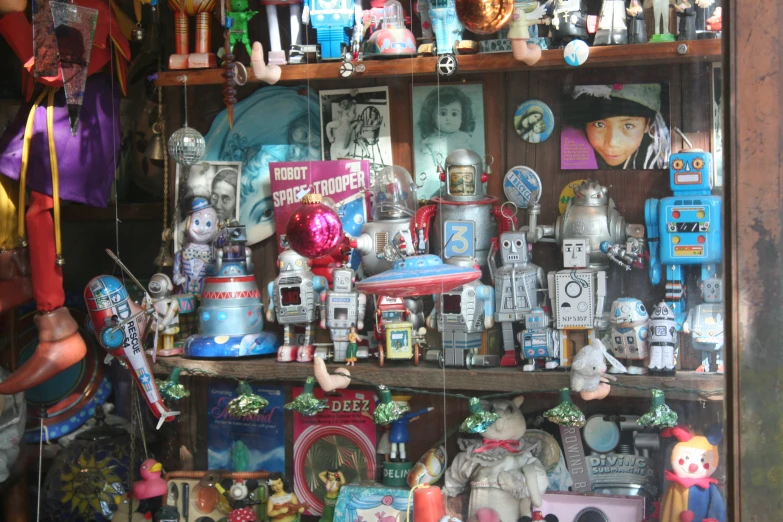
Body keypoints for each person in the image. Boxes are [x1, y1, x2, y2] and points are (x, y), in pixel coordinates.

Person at [562, 84, 670, 170]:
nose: (612, 142)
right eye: (600, 124)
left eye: (628, 126)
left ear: (647, 124)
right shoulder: (573, 146)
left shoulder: (658, 159)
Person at [417, 87, 478, 194]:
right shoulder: (429, 142)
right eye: (443, 113)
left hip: (465, 185)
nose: (448, 118)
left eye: (454, 114)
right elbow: (428, 170)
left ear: (462, 117)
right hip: (439, 186)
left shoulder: (467, 140)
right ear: (432, 116)